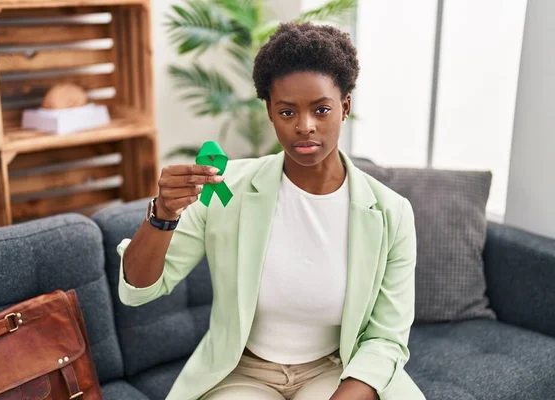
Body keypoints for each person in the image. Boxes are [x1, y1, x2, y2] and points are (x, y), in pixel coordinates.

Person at [117, 22, 425, 400]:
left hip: (338, 368)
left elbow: (386, 337)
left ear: (345, 106)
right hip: (240, 373)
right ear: (269, 111)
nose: (305, 126)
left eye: (321, 109)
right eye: (287, 112)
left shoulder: (391, 213)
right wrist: (162, 214)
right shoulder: (225, 188)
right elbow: (139, 290)